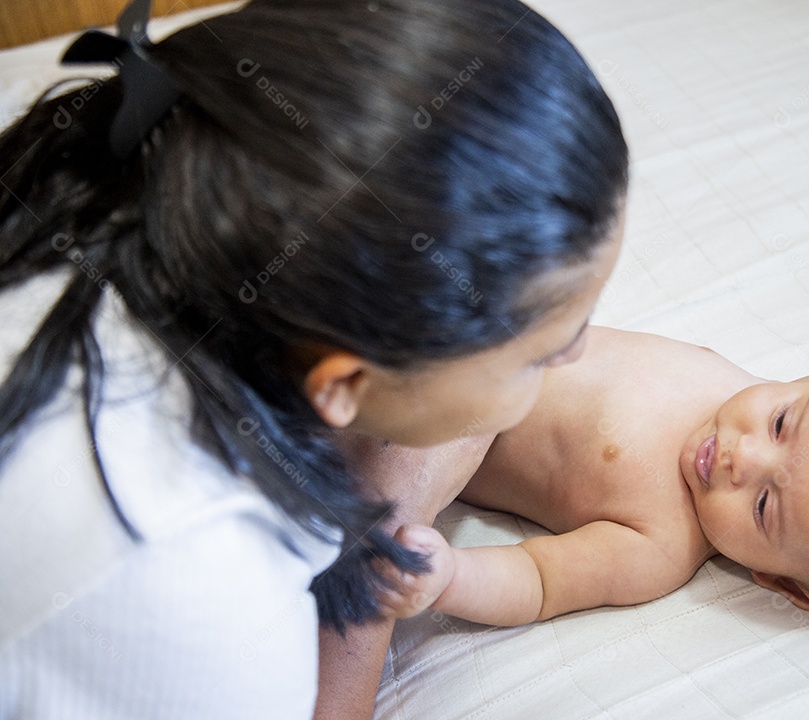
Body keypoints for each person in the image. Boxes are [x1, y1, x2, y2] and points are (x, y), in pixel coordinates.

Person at [0, 0, 628, 718]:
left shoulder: (121, 152)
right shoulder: (190, 578)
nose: (578, 350)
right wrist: (389, 524)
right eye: (544, 351)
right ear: (345, 385)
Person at [381, 327, 809, 631]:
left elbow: (537, 582)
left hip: (408, 420)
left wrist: (448, 578)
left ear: (778, 581)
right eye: (780, 425)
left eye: (766, 507)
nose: (744, 458)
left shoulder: (659, 545)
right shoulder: (769, 395)